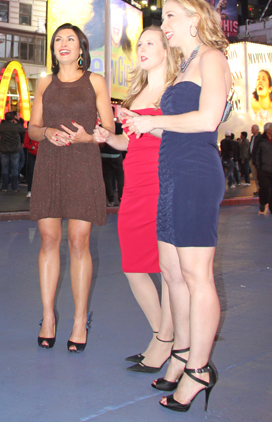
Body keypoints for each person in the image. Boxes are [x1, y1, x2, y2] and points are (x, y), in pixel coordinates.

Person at [123, 0, 230, 412]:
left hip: (195, 174)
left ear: (194, 18)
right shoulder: (186, 65)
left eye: (170, 16)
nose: (162, 24)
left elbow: (206, 120)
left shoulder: (212, 59)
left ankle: (198, 371)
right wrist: (141, 125)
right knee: (173, 273)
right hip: (170, 175)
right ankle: (182, 354)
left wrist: (154, 120)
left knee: (196, 275)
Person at [94, 27, 179, 373]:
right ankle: (164, 336)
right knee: (133, 266)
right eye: (139, 43)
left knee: (169, 269)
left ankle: (165, 342)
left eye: (149, 43)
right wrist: (109, 137)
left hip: (165, 180)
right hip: (136, 183)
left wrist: (145, 123)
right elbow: (131, 142)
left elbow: (182, 133)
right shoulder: (137, 92)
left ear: (166, 49)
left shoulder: (175, 91)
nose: (142, 48)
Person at [28, 23, 114, 352]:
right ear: (54, 49)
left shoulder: (95, 81)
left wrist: (86, 136)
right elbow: (33, 129)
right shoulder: (45, 82)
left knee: (79, 242)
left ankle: (79, 320)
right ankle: (48, 316)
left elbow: (108, 128)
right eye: (58, 40)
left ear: (81, 49)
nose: (64, 44)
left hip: (83, 163)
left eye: (71, 40)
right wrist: (47, 131)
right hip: (50, 164)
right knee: (49, 240)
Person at [0, 111, 24, 192]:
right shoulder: (16, 126)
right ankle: (14, 187)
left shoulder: (1, 126)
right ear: (13, 118)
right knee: (14, 169)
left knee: (5, 168)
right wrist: (17, 123)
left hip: (4, 150)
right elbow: (23, 130)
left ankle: (4, 186)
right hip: (15, 150)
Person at [255, 125, 272, 214]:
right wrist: (258, 166)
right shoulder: (261, 141)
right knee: (265, 188)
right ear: (267, 130)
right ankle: (263, 203)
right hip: (264, 170)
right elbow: (255, 154)